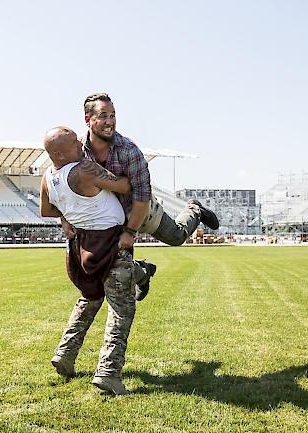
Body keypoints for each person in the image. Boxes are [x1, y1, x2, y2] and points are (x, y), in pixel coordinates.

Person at [40, 126, 155, 395]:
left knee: (89, 299)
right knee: (121, 309)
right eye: (73, 142)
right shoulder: (84, 170)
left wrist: (69, 213)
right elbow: (125, 185)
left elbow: (46, 210)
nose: (81, 142)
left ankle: (65, 354)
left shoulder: (47, 177)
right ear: (58, 153)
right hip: (110, 244)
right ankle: (108, 372)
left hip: (81, 246)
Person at [76, 92, 219, 251]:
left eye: (113, 115)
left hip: (138, 210)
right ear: (88, 120)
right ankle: (142, 271)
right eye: (103, 116)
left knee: (177, 237)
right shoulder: (76, 150)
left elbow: (142, 195)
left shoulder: (129, 151)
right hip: (106, 218)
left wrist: (130, 232)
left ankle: (195, 209)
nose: (110, 121)